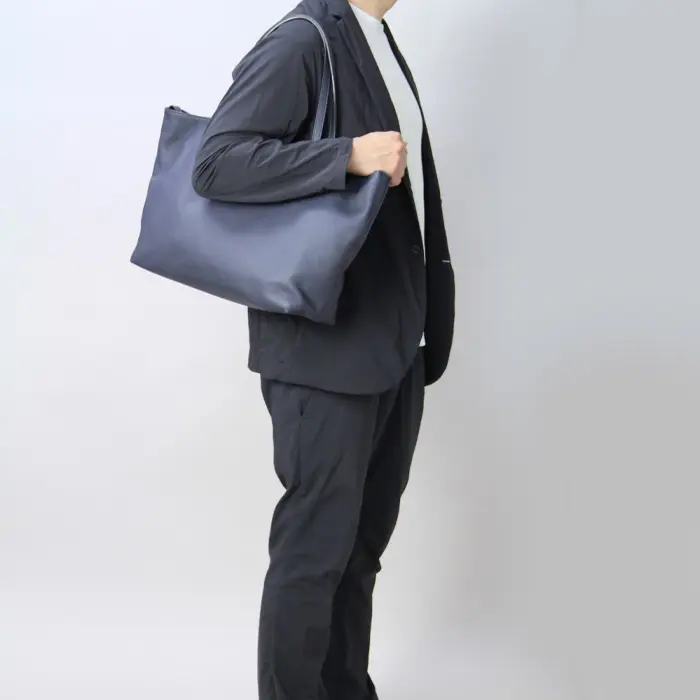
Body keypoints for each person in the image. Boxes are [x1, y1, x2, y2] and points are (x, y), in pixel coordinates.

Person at [193, 0, 455, 697]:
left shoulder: (378, 39)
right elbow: (216, 163)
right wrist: (346, 155)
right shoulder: (303, 39)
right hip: (324, 347)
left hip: (394, 340)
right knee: (315, 551)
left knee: (360, 550)